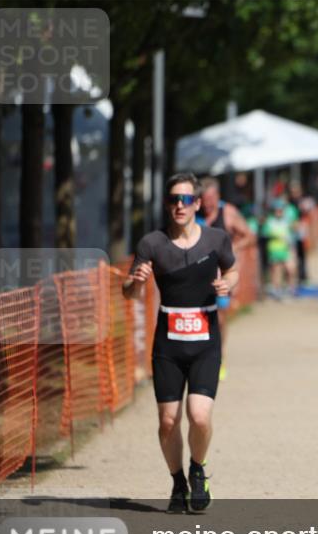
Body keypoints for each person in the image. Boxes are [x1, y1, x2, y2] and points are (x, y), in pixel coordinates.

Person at [123, 172, 238, 513]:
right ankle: (177, 482)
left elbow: (232, 269)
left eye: (186, 199)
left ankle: (197, 469)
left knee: (199, 416)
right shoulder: (152, 244)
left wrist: (228, 284)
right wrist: (136, 282)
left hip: (205, 339)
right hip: (168, 344)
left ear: (198, 204)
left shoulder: (216, 239)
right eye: (174, 199)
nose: (179, 205)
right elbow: (128, 292)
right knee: (168, 421)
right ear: (167, 204)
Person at [196, 177, 254, 381]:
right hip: (198, 275)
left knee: (219, 317)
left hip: (223, 275)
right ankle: (200, 357)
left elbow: (249, 235)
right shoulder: (193, 213)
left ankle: (219, 355)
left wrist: (230, 249)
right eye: (203, 199)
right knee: (198, 315)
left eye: (210, 198)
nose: (207, 203)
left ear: (217, 196)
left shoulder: (227, 212)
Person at [262, 197, 298, 300]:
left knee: (290, 269)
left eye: (281, 210)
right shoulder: (269, 221)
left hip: (286, 249)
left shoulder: (287, 221)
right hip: (274, 250)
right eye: (278, 210)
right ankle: (276, 290)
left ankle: (290, 289)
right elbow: (265, 233)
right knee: (276, 271)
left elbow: (292, 233)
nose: (279, 212)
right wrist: (276, 236)